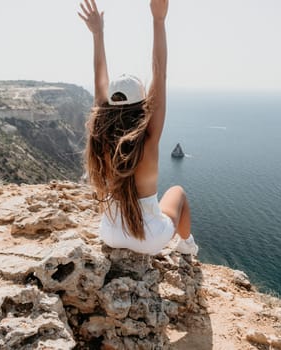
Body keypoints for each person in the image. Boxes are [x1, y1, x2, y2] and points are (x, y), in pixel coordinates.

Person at [79, 0, 198, 256]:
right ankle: (188, 247)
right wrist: (158, 20)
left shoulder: (100, 135)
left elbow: (99, 81)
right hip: (149, 239)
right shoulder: (149, 137)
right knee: (178, 193)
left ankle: (186, 246)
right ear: (142, 104)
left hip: (110, 233)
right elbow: (160, 72)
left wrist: (98, 34)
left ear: (110, 105)